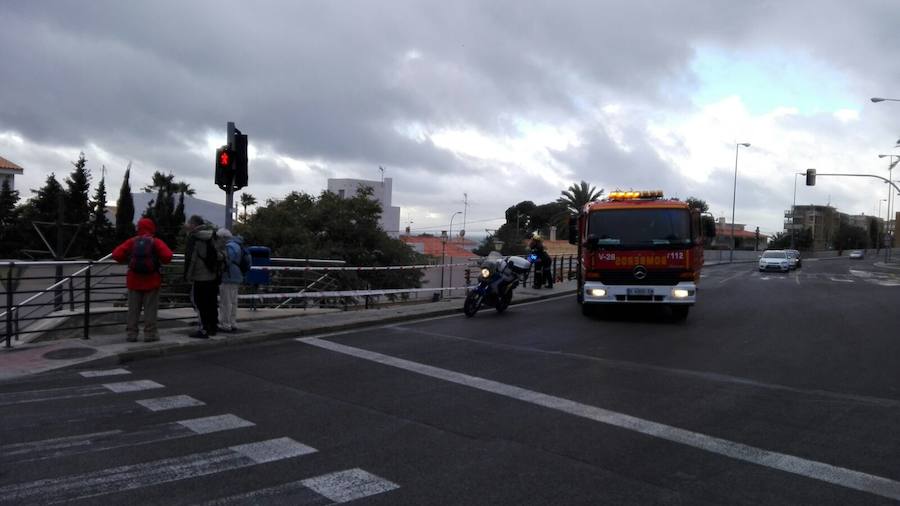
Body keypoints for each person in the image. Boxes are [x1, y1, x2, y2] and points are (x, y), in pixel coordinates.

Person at [111, 217, 173, 343]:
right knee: (150, 309)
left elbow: (116, 255)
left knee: (133, 310)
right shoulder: (155, 242)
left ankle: (131, 334)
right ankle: (150, 334)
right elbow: (168, 256)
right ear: (152, 228)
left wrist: (129, 259)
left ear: (138, 228)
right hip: (152, 281)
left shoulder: (132, 241)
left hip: (134, 281)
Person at [184, 215, 223, 338]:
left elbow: (192, 259)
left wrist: (187, 276)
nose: (188, 225)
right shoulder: (212, 235)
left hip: (200, 277)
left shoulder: (194, 238)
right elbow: (220, 255)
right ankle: (213, 327)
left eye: (189, 223)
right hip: (212, 276)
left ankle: (203, 329)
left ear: (194, 224)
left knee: (200, 304)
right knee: (211, 303)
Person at [218, 228, 246, 333]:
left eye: (219, 238)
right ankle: (233, 323)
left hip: (228, 276)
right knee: (233, 302)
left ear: (223, 238)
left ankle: (225, 324)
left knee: (226, 302)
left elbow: (226, 261)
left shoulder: (229, 246)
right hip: (236, 275)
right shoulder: (238, 244)